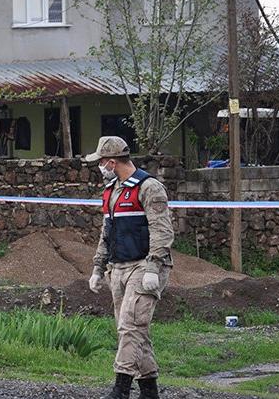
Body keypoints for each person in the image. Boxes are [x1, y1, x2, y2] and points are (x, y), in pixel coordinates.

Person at [85, 136, 174, 399]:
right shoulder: (112, 190)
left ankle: (120, 390)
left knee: (130, 326)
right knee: (134, 331)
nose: (99, 167)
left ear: (111, 162)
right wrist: (98, 267)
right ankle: (149, 391)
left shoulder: (149, 188)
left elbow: (162, 230)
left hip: (145, 266)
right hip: (118, 267)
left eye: (101, 162)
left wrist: (153, 266)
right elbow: (107, 232)